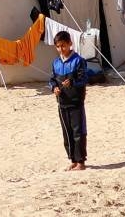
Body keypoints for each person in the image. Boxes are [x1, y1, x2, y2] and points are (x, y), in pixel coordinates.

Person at [49, 30, 87, 171]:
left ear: (70, 43)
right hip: (62, 103)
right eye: (58, 46)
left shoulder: (78, 61)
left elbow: (83, 79)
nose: (61, 49)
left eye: (63, 45)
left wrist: (72, 82)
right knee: (67, 133)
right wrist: (54, 88)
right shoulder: (56, 63)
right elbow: (52, 80)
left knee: (78, 132)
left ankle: (81, 161)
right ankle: (73, 160)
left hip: (76, 102)